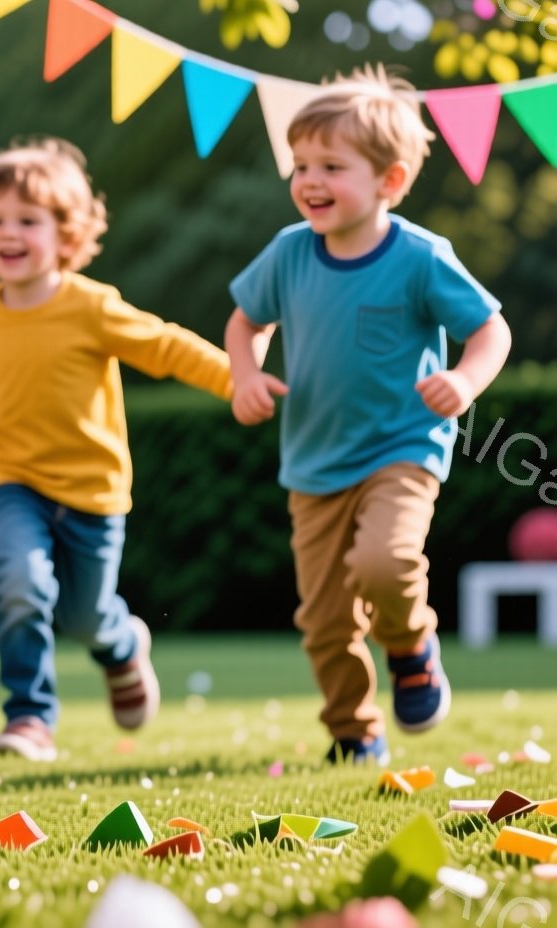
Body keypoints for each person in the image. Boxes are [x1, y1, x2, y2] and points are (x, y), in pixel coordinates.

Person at [225, 65, 510, 765]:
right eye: (300, 165)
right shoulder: (290, 252)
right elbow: (244, 322)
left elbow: (490, 330)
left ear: (389, 180)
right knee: (323, 621)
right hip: (314, 464)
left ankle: (411, 646)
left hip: (402, 448)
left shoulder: (418, 257)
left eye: (330, 165)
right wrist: (246, 373)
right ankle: (354, 731)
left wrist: (465, 381)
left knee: (384, 562)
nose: (309, 180)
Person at [0, 137, 233, 762]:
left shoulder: (90, 306)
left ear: (66, 235)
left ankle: (122, 645)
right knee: (20, 585)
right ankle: (29, 719)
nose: (8, 234)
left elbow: (166, 346)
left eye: (27, 221)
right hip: (14, 480)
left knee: (85, 616)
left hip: (94, 489)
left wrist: (237, 380)